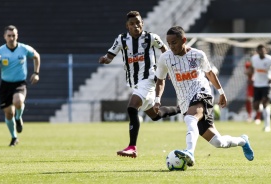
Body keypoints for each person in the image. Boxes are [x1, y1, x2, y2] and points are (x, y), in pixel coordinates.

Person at [153, 26, 254, 167]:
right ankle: (243, 141)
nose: (171, 46)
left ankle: (189, 152)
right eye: (168, 43)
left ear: (184, 40)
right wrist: (157, 100)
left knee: (190, 118)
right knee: (218, 142)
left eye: (174, 42)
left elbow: (210, 73)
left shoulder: (198, 54)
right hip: (184, 101)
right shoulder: (165, 58)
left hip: (202, 93)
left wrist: (221, 92)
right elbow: (160, 80)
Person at [99, 11, 180, 158]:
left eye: (138, 23)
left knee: (132, 107)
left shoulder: (151, 37)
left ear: (142, 22)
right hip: (134, 82)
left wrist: (168, 69)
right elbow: (110, 56)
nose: (136, 26)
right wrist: (105, 59)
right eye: (132, 24)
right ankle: (183, 108)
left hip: (149, 79)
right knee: (155, 115)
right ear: (127, 26)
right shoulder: (121, 39)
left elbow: (165, 51)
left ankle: (132, 147)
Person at [0, 25, 40, 146]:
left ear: (17, 36)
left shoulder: (24, 48)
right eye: (9, 35)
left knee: (18, 101)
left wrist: (36, 73)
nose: (11, 38)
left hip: (20, 83)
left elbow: (36, 56)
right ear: (4, 37)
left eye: (13, 35)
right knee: (9, 113)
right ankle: (14, 137)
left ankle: (19, 118)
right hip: (5, 85)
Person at [249, 44, 271, 132]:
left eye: (263, 50)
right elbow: (252, 68)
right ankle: (267, 108)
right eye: (259, 50)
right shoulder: (254, 59)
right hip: (257, 84)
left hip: (267, 84)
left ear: (265, 51)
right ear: (257, 51)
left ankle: (267, 126)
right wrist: (251, 76)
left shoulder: (270, 59)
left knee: (264, 102)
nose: (261, 52)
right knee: (256, 106)